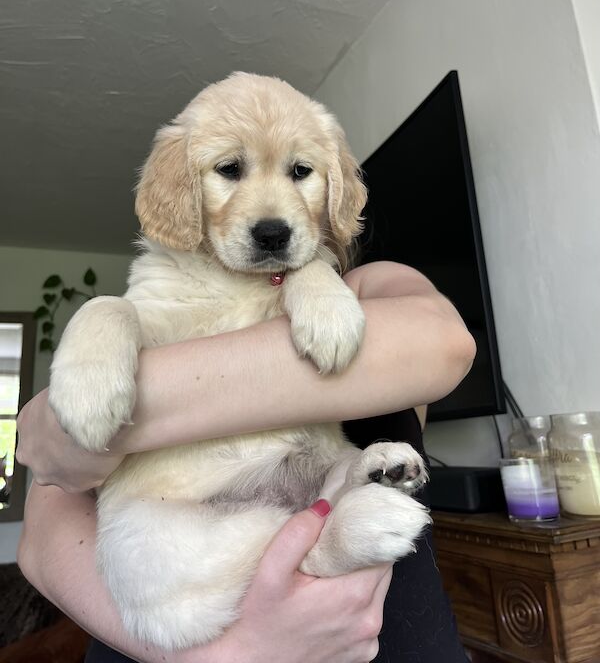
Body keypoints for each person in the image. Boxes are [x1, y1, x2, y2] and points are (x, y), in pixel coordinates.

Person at [17, 261, 475, 663]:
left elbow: (446, 341)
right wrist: (209, 655)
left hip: (394, 633)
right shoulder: (167, 296)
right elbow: (41, 535)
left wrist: (116, 412)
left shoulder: (365, 282)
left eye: (300, 174)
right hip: (176, 598)